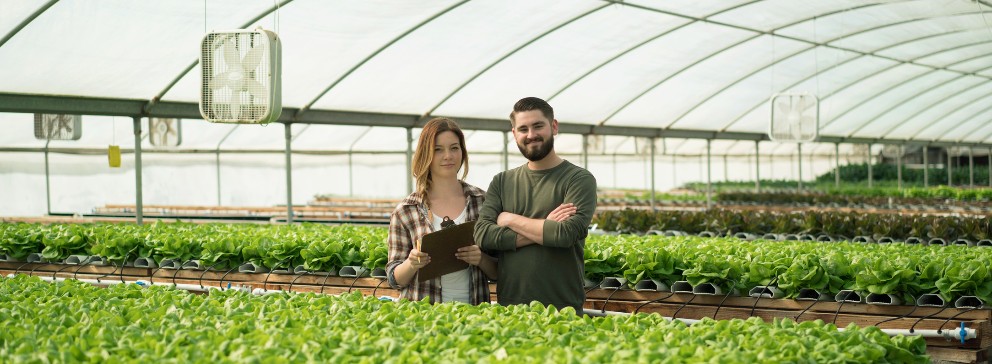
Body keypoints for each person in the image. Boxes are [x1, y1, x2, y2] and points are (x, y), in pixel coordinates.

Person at [473, 97, 598, 313]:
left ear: (554, 126)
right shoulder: (502, 181)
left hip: (562, 309)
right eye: (523, 129)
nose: (531, 135)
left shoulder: (578, 179)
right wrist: (546, 227)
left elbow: (565, 234)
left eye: (538, 126)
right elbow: (483, 235)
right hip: (509, 308)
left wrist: (510, 219)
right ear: (514, 134)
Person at [386, 117, 498, 304]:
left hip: (475, 313)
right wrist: (411, 264)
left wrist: (480, 258)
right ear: (426, 154)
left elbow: (499, 270)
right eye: (438, 149)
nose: (448, 156)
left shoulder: (482, 202)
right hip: (424, 315)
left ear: (462, 152)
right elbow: (394, 279)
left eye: (454, 148)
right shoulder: (406, 210)